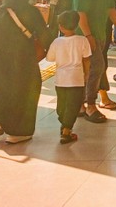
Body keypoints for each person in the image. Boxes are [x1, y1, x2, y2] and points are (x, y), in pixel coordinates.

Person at [0, 0, 52, 143]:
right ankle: (18, 132)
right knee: (25, 92)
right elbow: (46, 38)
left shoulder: (0, 11)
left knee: (3, 90)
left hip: (1, 59)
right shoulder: (32, 11)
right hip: (24, 59)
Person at [45, 11, 92, 144]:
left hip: (60, 79)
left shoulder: (57, 42)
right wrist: (86, 73)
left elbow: (50, 58)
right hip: (77, 78)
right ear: (76, 25)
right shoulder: (82, 40)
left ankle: (64, 125)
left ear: (60, 26)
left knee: (62, 104)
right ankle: (67, 128)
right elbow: (87, 59)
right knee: (73, 105)